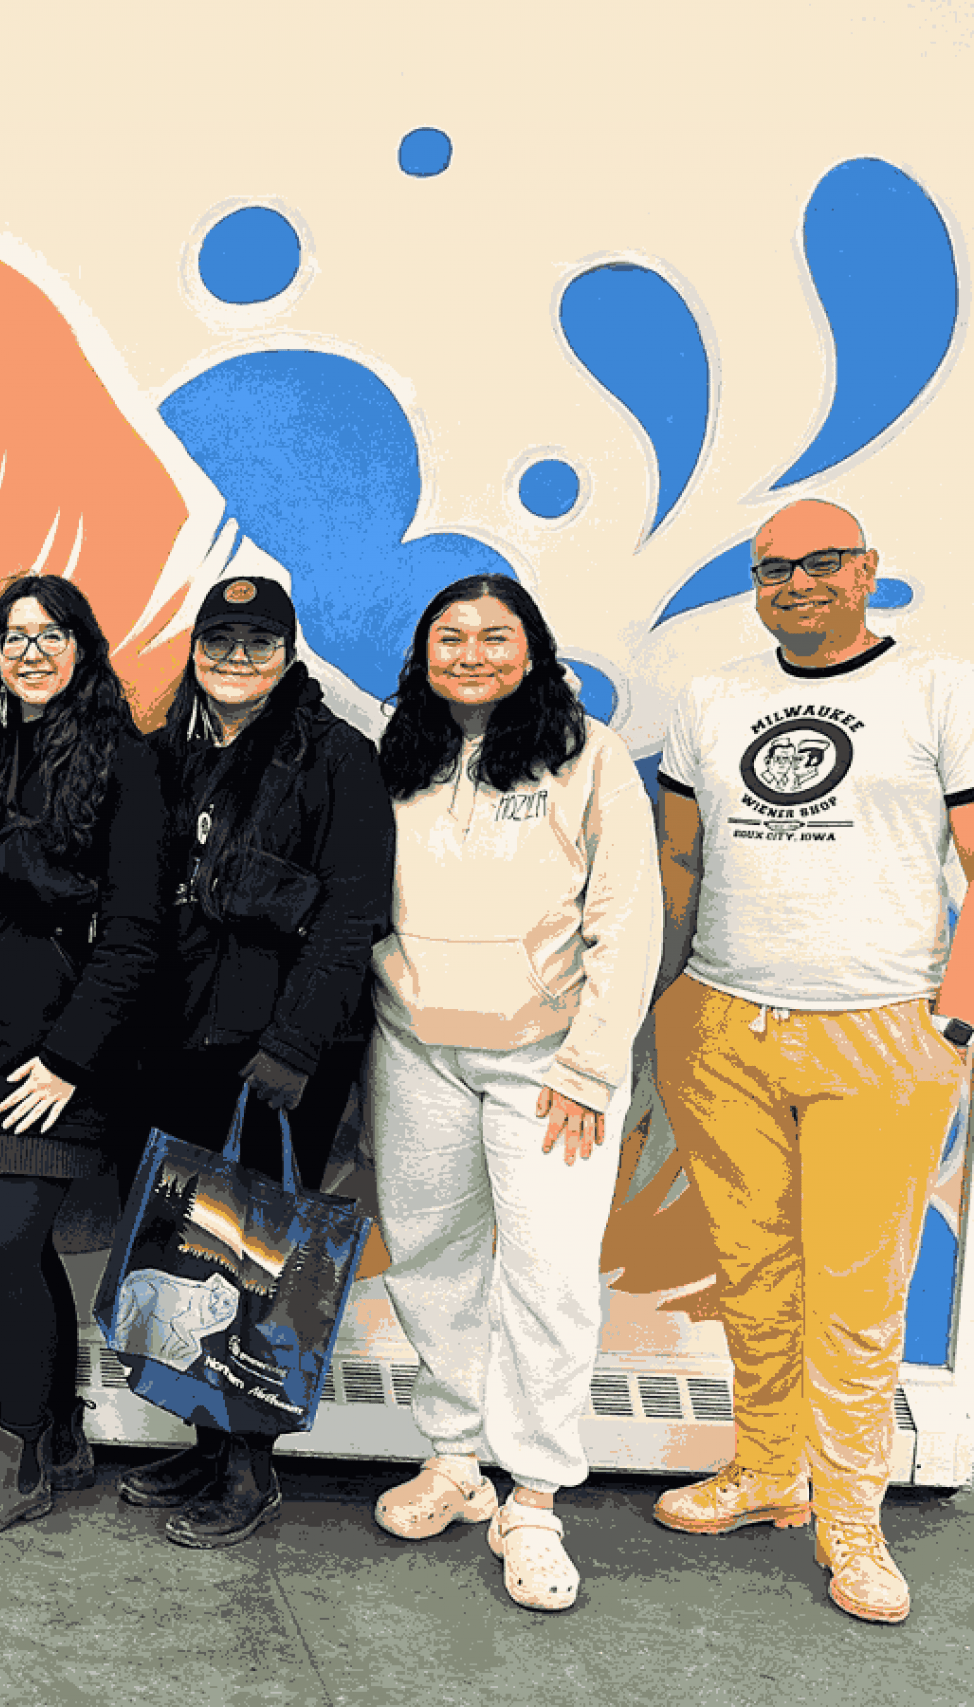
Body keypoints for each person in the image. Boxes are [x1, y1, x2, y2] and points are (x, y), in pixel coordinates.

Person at [646, 500, 974, 1626]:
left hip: (881, 1030)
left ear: (867, 571)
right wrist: (660, 996)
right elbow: (679, 860)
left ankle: (853, 1517)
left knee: (855, 1294)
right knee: (750, 1266)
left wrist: (957, 1023)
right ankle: (767, 1469)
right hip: (723, 1022)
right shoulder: (714, 700)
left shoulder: (939, 688)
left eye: (820, 563)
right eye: (772, 568)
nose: (795, 582)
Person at [364, 574, 657, 1613]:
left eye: (495, 637)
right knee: (431, 1262)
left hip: (549, 1067)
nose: (472, 654)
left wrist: (587, 1064)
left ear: (531, 648)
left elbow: (627, 920)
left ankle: (531, 1499)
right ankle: (454, 1460)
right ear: (423, 652)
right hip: (412, 1049)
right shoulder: (399, 751)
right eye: (450, 638)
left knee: (548, 1278)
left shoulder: (589, 754)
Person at [118, 574, 391, 1547]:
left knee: (267, 1262)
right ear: (196, 647)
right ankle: (202, 1438)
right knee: (192, 1258)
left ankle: (248, 1470)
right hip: (183, 1048)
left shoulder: (334, 759)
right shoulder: (170, 758)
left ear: (287, 650)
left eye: (257, 641)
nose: (236, 657)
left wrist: (293, 1045)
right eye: (220, 638)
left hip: (277, 1061)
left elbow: (354, 913)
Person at [0, 576, 165, 1540]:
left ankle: (14, 1457)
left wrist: (68, 1059)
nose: (29, 651)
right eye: (11, 635)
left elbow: (137, 931)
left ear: (82, 646)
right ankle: (60, 1435)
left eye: (50, 634)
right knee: (15, 1241)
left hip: (64, 1054)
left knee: (8, 1239)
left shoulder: (122, 762)